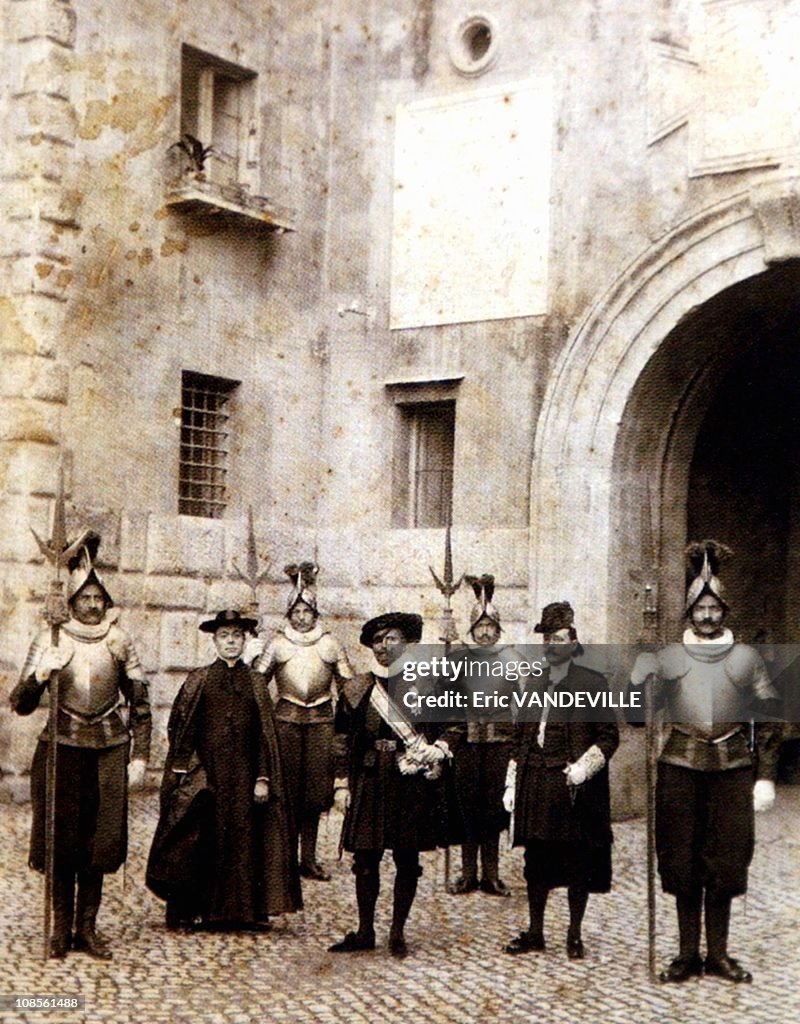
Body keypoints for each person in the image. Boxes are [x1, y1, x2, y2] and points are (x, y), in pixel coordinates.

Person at [630, 541, 781, 983]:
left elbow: (769, 722)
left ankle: (718, 953)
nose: (708, 616)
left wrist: (766, 777)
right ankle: (685, 953)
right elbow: (641, 720)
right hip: (679, 764)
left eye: (715, 608)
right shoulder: (669, 658)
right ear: (689, 613)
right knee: (681, 861)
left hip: (733, 768)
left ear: (725, 611)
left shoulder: (746, 658)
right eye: (701, 608)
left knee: (728, 862)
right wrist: (639, 679)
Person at [10, 532, 150, 959]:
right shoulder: (52, 639)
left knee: (100, 841)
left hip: (108, 748)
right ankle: (59, 930)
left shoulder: (119, 640)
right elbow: (20, 703)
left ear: (106, 601)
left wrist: (140, 755)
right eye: (84, 597)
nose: (91, 604)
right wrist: (39, 675)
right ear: (70, 601)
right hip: (62, 746)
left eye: (97, 597)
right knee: (60, 840)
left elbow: (140, 703)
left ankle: (87, 929)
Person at [146, 609, 301, 931]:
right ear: (214, 641)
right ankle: (198, 910)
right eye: (224, 637)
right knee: (201, 840)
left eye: (236, 636)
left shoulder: (256, 682)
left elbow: (264, 736)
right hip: (208, 775)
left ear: (245, 641)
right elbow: (181, 727)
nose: (231, 642)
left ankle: (244, 913)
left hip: (245, 777)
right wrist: (186, 771)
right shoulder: (199, 679)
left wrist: (262, 778)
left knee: (245, 841)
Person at [328, 612, 451, 958]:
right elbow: (340, 739)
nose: (383, 646)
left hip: (408, 779)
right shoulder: (357, 688)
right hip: (368, 778)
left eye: (391, 639)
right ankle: (365, 930)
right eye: (378, 641)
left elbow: (452, 725)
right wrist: (341, 783)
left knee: (406, 859)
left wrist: (437, 751)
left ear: (407, 643)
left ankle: (397, 932)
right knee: (365, 859)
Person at [504, 601, 618, 959]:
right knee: (536, 860)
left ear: (574, 642)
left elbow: (608, 736)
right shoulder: (533, 680)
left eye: (559, 638)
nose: (552, 645)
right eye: (547, 639)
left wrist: (585, 767)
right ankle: (535, 931)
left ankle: (574, 934)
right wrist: (512, 781)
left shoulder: (591, 682)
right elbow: (520, 735)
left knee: (576, 861)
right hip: (536, 780)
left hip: (573, 784)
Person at [253, 562, 352, 881]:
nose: (300, 616)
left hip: (322, 722)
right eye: (295, 611)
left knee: (314, 794)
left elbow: (348, 686)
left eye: (306, 611)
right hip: (285, 723)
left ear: (315, 614)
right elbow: (257, 683)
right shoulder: (278, 643)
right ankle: (283, 858)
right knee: (286, 793)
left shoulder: (330, 644)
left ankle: (308, 858)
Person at [448, 574, 516, 897]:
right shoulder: (458, 659)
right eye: (480, 627)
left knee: (494, 809)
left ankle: (491, 874)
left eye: (491, 627)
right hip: (467, 745)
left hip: (500, 744)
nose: (486, 632)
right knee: (467, 808)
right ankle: (467, 874)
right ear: (472, 628)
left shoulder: (511, 660)